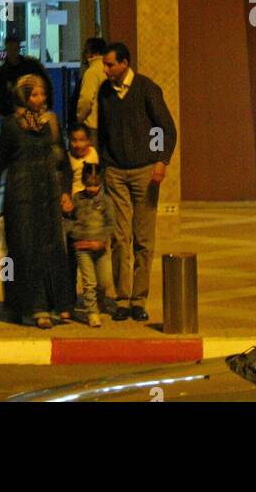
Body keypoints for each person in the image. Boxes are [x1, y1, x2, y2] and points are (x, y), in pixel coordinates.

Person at [0, 74, 75, 329]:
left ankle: (56, 304)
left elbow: (63, 159)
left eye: (43, 94)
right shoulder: (11, 125)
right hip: (20, 196)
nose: (41, 99)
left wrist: (66, 191)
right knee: (21, 253)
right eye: (35, 94)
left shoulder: (51, 122)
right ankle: (24, 306)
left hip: (47, 193)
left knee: (51, 249)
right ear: (24, 96)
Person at [97, 41, 177, 323]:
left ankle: (139, 299)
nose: (105, 69)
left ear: (124, 63)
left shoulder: (146, 89)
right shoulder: (105, 92)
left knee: (143, 238)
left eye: (109, 64)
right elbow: (103, 131)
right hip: (115, 172)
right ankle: (121, 298)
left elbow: (166, 128)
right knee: (120, 237)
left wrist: (160, 161)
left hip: (145, 170)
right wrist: (104, 165)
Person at [68, 162, 116, 328]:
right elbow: (70, 221)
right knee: (89, 282)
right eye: (88, 185)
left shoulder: (106, 202)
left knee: (103, 281)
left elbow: (111, 224)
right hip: (83, 248)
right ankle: (92, 311)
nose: (92, 189)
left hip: (100, 248)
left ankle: (100, 301)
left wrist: (101, 241)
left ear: (101, 183)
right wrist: (76, 237)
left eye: (95, 185)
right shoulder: (77, 199)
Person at [0, 35, 53, 118]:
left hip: (34, 113)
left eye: (15, 48)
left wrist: (44, 108)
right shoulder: (2, 72)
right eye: (10, 49)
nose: (13, 52)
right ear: (6, 50)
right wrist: (11, 114)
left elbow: (46, 86)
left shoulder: (32, 66)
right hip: (13, 116)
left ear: (19, 49)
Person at [73, 36, 108, 145]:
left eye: (86, 50)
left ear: (92, 52)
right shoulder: (108, 68)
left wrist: (79, 118)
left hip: (92, 124)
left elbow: (86, 100)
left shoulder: (91, 72)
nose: (83, 53)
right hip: (108, 123)